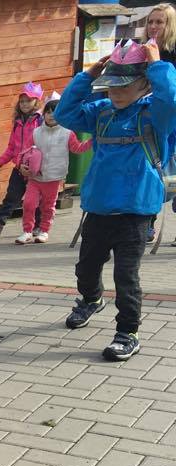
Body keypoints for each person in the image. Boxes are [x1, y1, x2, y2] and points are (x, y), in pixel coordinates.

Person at [55, 40, 176, 361]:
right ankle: (91, 300)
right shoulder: (101, 111)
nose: (116, 92)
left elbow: (171, 99)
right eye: (111, 85)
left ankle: (127, 332)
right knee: (86, 268)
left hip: (136, 211)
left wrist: (158, 65)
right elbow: (65, 113)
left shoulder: (156, 116)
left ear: (145, 84)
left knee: (126, 276)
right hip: (98, 208)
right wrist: (87, 77)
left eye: (124, 85)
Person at [15, 93, 91, 245]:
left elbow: (78, 148)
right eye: (48, 112)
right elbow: (24, 152)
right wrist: (20, 165)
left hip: (54, 178)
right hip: (35, 177)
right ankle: (27, 231)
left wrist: (93, 140)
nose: (52, 115)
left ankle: (44, 231)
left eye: (56, 112)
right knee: (29, 204)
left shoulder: (67, 133)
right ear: (43, 115)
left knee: (48, 207)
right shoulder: (36, 132)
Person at [0, 83, 44, 239]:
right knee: (11, 197)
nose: (24, 104)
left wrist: (37, 165)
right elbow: (11, 147)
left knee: (34, 200)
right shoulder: (18, 122)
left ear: (37, 102)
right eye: (22, 101)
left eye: (28, 101)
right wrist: (0, 163)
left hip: (34, 169)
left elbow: (44, 145)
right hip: (18, 168)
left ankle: (38, 226)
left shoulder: (40, 121)